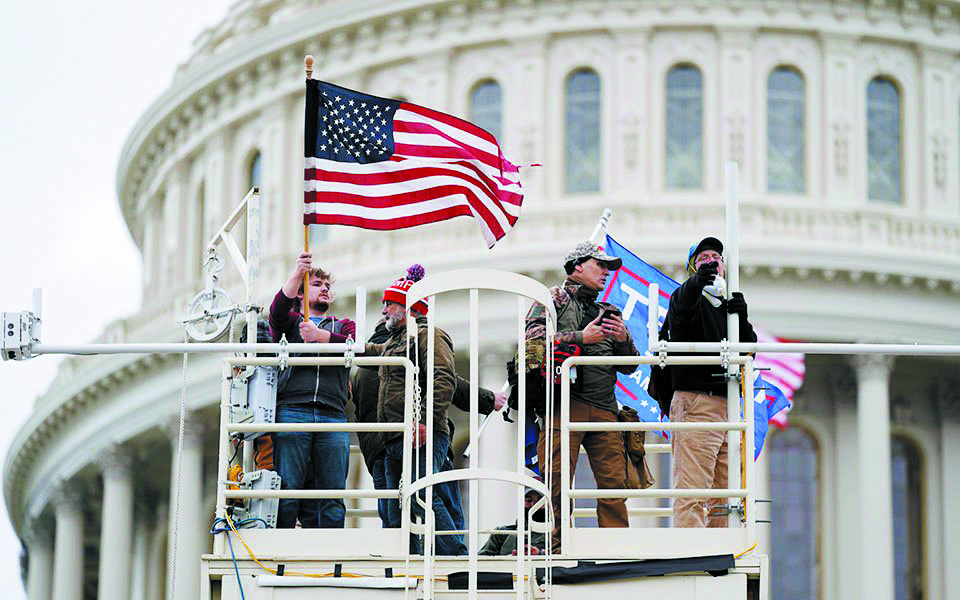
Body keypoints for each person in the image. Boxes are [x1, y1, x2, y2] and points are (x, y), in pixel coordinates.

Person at [525, 241, 639, 552]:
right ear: (577, 266)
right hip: (563, 406)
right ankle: (558, 548)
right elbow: (533, 347)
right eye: (600, 265)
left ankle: (615, 549)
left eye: (608, 267)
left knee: (615, 484)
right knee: (557, 482)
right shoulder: (551, 299)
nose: (606, 272)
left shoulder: (609, 312)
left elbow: (631, 366)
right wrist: (581, 338)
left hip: (605, 410)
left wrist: (623, 339)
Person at [352, 321, 505, 530]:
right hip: (416, 440)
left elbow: (359, 414)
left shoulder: (360, 374)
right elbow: (448, 382)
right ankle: (453, 548)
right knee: (435, 501)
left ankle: (401, 551)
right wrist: (489, 399)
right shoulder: (402, 356)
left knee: (394, 516)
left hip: (379, 451)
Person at [365, 264, 467, 555]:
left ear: (406, 307)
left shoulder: (429, 335)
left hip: (421, 433)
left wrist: (424, 422)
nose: (384, 309)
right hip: (395, 436)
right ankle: (407, 558)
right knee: (397, 505)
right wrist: (327, 340)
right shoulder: (395, 342)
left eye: (389, 303)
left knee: (421, 492)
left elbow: (443, 378)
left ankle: (455, 554)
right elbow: (368, 351)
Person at [665, 236, 756, 528]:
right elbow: (681, 311)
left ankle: (722, 549)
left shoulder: (727, 308)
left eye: (716, 257)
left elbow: (749, 352)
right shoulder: (686, 298)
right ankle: (691, 550)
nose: (711, 261)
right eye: (703, 258)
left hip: (728, 404)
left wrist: (742, 319)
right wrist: (696, 283)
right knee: (693, 491)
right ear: (693, 268)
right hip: (697, 403)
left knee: (726, 496)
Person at [268, 251, 355, 529]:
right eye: (317, 284)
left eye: (327, 285)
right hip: (294, 409)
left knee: (332, 491)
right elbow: (277, 311)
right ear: (301, 294)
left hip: (332, 412)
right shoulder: (291, 324)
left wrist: (321, 337)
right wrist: (298, 272)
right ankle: (282, 544)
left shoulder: (343, 325)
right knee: (288, 488)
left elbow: (354, 345)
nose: (325, 288)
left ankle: (330, 546)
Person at [478, 488, 546, 556]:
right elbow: (481, 559)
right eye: (529, 500)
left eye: (539, 501)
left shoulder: (551, 536)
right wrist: (510, 558)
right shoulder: (501, 534)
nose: (533, 505)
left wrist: (540, 553)